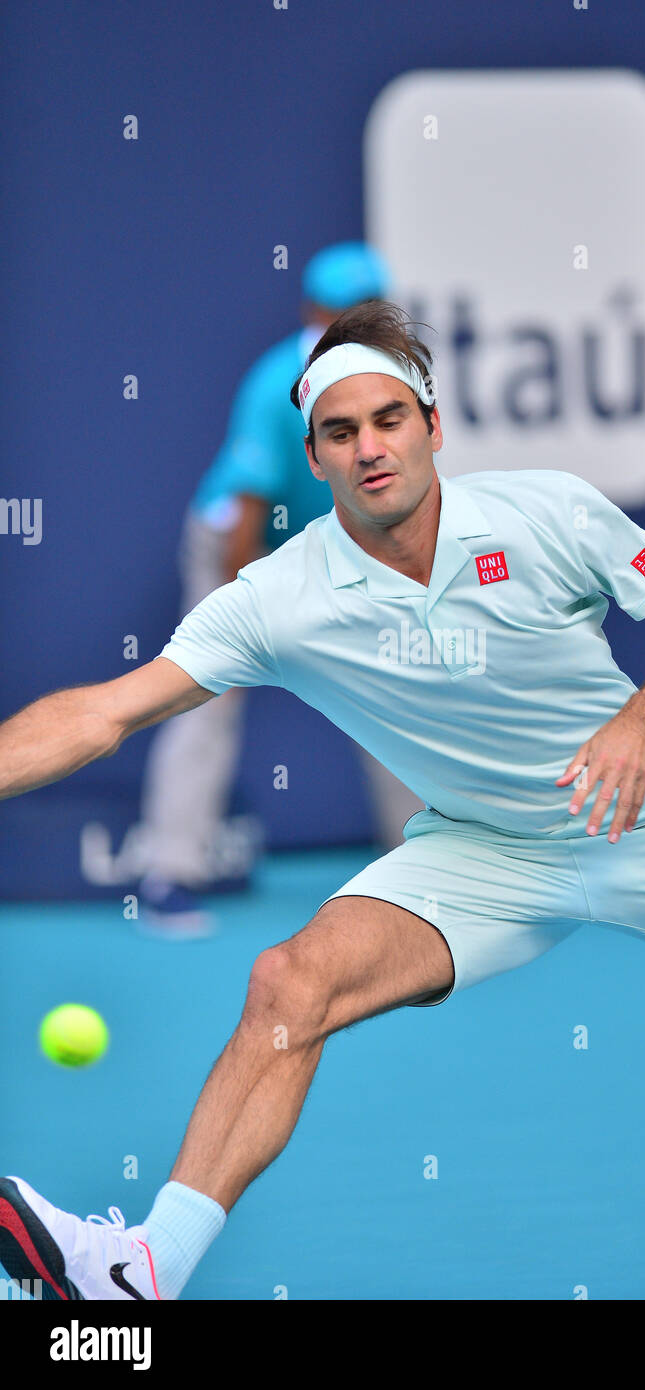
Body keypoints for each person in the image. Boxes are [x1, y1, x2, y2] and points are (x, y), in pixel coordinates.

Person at [1, 301, 645, 1302]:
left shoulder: (547, 513)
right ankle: (139, 1272)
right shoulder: (282, 594)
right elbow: (104, 713)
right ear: (314, 459)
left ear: (432, 426)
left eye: (389, 419)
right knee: (289, 984)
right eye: (339, 432)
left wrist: (638, 722)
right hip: (484, 853)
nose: (369, 448)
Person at [137, 242, 424, 935]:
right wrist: (252, 610)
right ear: (313, 314)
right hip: (237, 547)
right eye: (341, 316)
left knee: (390, 689)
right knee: (201, 693)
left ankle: (421, 869)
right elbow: (246, 513)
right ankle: (167, 873)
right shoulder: (276, 385)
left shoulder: (394, 381)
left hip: (330, 547)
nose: (353, 329)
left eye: (367, 315)